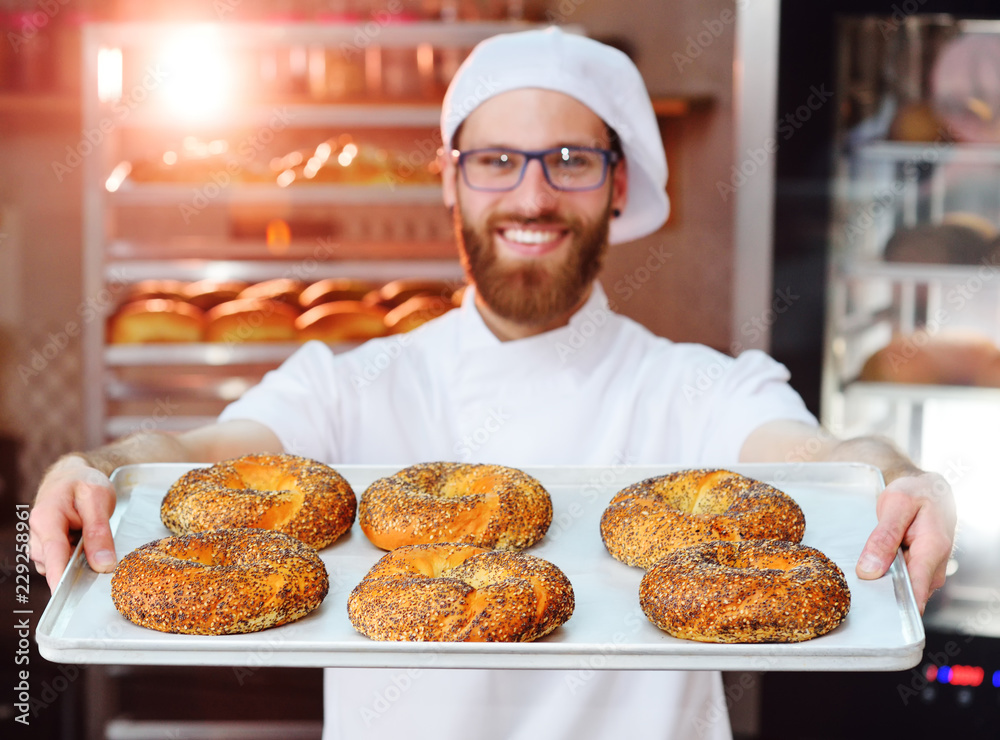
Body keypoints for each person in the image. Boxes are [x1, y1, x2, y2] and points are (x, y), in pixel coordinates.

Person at [31, 27, 955, 740]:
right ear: (450, 181)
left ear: (618, 185)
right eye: (496, 160)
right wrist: (97, 464)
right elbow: (195, 461)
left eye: (571, 160)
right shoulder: (349, 386)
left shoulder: (700, 391)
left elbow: (830, 464)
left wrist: (900, 478)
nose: (531, 196)